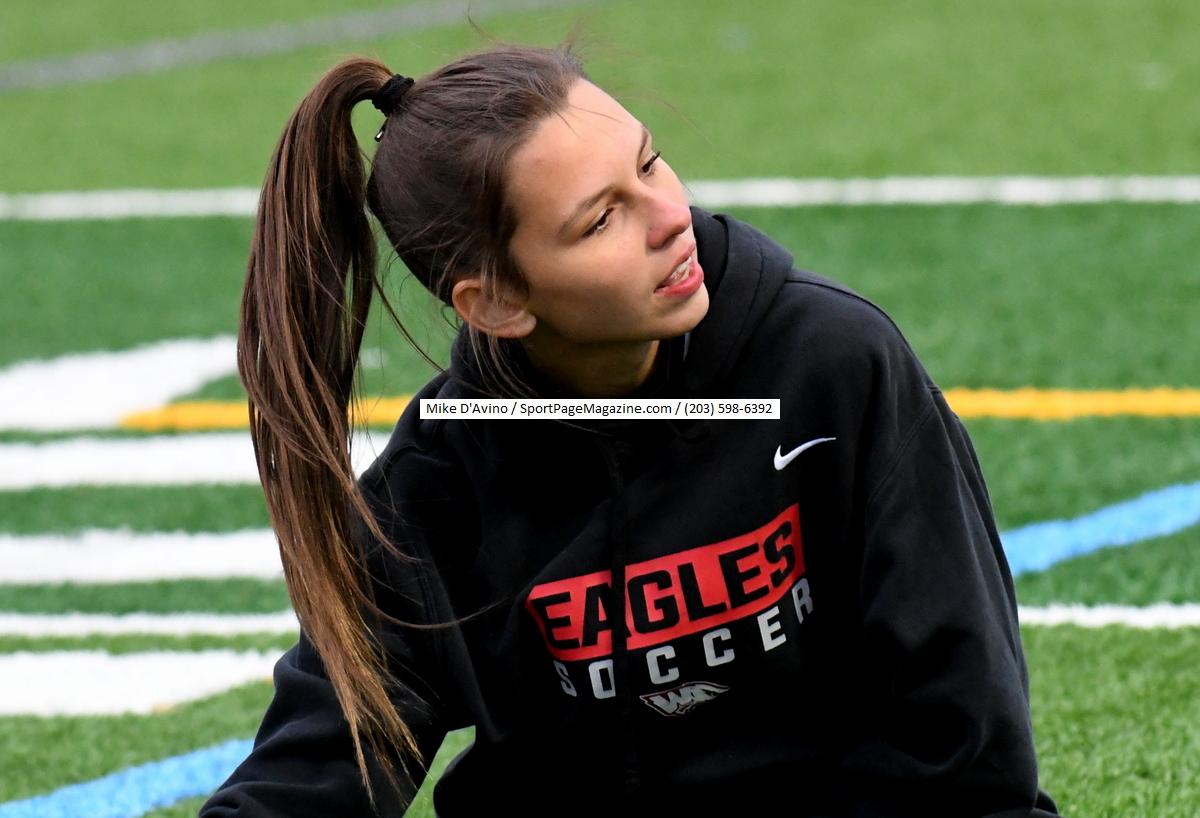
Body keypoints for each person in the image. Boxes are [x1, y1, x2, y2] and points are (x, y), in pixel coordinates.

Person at [199, 39, 1060, 818]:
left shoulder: (833, 363)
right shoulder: (436, 485)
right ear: (496, 302)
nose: (670, 216)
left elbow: (964, 736)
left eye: (649, 162)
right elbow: (313, 776)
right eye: (601, 218)